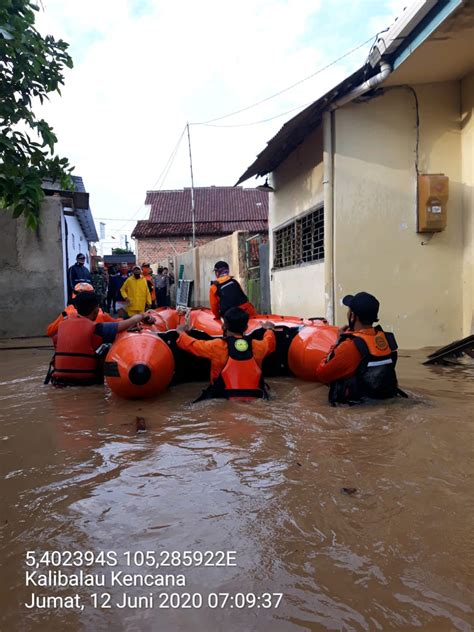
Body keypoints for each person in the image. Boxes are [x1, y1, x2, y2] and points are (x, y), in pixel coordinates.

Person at [315, 292, 405, 405]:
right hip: (386, 398)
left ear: (353, 316)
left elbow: (322, 375)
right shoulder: (387, 339)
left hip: (356, 407)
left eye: (349, 311)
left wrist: (337, 342)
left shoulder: (349, 346)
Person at [47, 292, 152, 386]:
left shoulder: (62, 325)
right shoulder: (96, 328)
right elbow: (125, 324)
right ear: (96, 309)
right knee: (106, 347)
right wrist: (143, 315)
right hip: (86, 382)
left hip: (58, 381)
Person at [176, 306, 276, 400]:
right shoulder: (258, 346)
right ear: (246, 327)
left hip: (223, 398)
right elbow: (270, 342)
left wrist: (181, 333)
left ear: (224, 326)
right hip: (255, 397)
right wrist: (269, 330)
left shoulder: (217, 346)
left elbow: (192, 345)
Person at [46, 282, 117, 338]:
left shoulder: (66, 313)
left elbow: (50, 331)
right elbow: (117, 325)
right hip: (95, 351)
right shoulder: (100, 313)